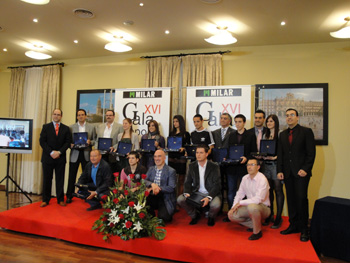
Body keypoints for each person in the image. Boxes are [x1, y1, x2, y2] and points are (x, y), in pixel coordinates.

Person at [277, 108, 316, 242]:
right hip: (287, 173)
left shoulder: (306, 132)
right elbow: (281, 154)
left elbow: (311, 153)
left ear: (297, 117)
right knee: (291, 200)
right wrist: (279, 170)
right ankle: (293, 225)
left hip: (301, 173)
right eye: (287, 115)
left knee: (301, 199)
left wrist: (305, 169)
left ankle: (304, 229)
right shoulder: (282, 134)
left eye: (292, 115)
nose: (289, 117)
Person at [177, 145, 221, 226]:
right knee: (180, 199)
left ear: (206, 154)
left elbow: (217, 185)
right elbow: (187, 182)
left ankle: (211, 217)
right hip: (196, 192)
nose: (198, 155)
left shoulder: (214, 166)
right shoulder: (192, 166)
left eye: (201, 153)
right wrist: (187, 192)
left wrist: (208, 197)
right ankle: (194, 215)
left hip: (210, 193)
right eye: (197, 152)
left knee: (216, 205)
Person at [223, 114, 257, 221]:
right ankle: (231, 212)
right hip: (232, 168)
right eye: (236, 122)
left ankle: (247, 215)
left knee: (246, 192)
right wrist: (226, 158)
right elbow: (228, 150)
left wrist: (246, 158)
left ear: (244, 122)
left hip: (245, 168)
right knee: (231, 192)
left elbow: (254, 152)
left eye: (240, 122)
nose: (237, 124)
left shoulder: (251, 135)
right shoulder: (231, 135)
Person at [228, 158, 270, 240]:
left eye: (252, 165)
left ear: (258, 167)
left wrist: (240, 203)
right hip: (250, 206)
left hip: (263, 208)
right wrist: (233, 207)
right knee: (232, 215)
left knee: (252, 207)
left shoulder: (262, 179)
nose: (249, 167)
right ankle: (255, 224)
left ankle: (257, 232)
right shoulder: (245, 178)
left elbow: (258, 200)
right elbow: (239, 194)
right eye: (248, 165)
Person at [39, 109, 71, 207]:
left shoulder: (66, 128)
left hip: (60, 158)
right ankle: (45, 199)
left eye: (58, 114)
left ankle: (60, 199)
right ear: (52, 115)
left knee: (60, 179)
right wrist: (51, 152)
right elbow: (42, 142)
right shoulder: (46, 127)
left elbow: (67, 142)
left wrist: (59, 152)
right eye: (55, 114)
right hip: (48, 157)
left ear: (61, 116)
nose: (56, 116)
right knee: (47, 179)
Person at [66, 109, 96, 204]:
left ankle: (87, 196)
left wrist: (90, 142)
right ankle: (69, 195)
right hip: (75, 154)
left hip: (87, 154)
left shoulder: (91, 127)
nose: (81, 116)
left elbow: (95, 140)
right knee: (72, 176)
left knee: (87, 176)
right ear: (76, 117)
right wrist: (70, 145)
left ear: (86, 116)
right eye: (79, 115)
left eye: (82, 115)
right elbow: (68, 141)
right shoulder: (71, 127)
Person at [262, 114, 284, 228]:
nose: (269, 123)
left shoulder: (280, 134)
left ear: (275, 122)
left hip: (276, 165)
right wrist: (262, 156)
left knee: (278, 191)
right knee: (268, 191)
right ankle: (270, 215)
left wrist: (276, 157)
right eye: (267, 121)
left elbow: (283, 150)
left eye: (271, 121)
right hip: (266, 165)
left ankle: (279, 217)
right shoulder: (265, 135)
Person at [144, 150, 176, 223]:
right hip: (152, 195)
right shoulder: (151, 169)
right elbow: (144, 181)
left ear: (164, 158)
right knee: (147, 216)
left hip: (164, 197)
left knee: (164, 219)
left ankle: (163, 212)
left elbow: (171, 188)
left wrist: (158, 188)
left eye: (159, 156)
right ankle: (151, 214)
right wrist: (152, 184)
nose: (157, 158)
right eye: (155, 156)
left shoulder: (171, 171)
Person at [212, 113, 236, 211]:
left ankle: (231, 210)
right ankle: (219, 209)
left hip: (230, 164)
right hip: (217, 164)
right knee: (218, 187)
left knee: (231, 188)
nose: (222, 120)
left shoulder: (234, 132)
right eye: (221, 118)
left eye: (225, 118)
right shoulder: (214, 132)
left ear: (229, 121)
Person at [168, 115, 191, 196]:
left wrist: (183, 148)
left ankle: (179, 198)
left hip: (181, 158)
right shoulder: (171, 133)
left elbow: (188, 147)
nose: (175, 123)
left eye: (176, 121)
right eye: (174, 121)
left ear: (181, 122)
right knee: (172, 179)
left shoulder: (186, 134)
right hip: (171, 158)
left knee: (181, 180)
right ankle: (172, 199)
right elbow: (169, 145)